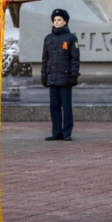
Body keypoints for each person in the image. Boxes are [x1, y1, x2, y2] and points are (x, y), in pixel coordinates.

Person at [41, 8, 80, 141]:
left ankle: (67, 132)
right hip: (52, 77)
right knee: (54, 106)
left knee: (66, 106)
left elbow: (75, 58)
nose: (56, 22)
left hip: (65, 77)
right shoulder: (48, 38)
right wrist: (44, 75)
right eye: (55, 20)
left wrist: (74, 75)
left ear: (65, 22)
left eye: (59, 20)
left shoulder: (71, 38)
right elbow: (45, 59)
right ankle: (56, 132)